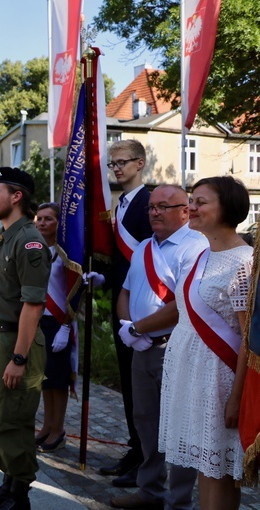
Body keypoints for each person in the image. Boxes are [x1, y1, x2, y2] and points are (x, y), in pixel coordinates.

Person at [110, 185, 207, 509]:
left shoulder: (195, 247)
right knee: (146, 421)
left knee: (178, 428)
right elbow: (125, 292)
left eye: (163, 206)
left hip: (175, 348)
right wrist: (128, 328)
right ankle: (149, 490)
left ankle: (179, 502)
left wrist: (137, 328)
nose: (154, 212)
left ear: (185, 210)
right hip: (141, 347)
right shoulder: (144, 248)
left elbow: (182, 304)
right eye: (152, 207)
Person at [159, 176, 252, 510]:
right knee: (206, 466)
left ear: (227, 207)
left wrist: (237, 398)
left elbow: (249, 339)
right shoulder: (201, 256)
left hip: (221, 381)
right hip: (192, 377)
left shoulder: (245, 263)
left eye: (200, 202)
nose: (191, 207)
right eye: (191, 200)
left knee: (221, 471)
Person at [0, 167, 50, 510]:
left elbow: (33, 305)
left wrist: (19, 359)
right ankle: (8, 484)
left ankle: (19, 497)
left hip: (15, 342)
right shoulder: (1, 237)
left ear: (16, 196)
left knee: (12, 422)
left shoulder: (29, 240)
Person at [102, 139, 153, 487]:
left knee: (146, 393)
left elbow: (151, 260)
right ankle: (136, 451)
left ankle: (147, 459)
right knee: (129, 386)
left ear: (140, 163)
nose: (117, 169)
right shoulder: (119, 204)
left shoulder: (151, 203)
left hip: (145, 307)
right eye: (113, 164)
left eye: (123, 162)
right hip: (120, 301)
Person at [33, 203, 76, 455]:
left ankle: (58, 429)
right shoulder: (36, 250)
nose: (42, 223)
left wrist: (66, 325)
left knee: (58, 380)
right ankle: (47, 425)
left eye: (48, 219)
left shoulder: (66, 253)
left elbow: (74, 289)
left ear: (59, 224)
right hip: (39, 319)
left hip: (59, 321)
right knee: (44, 378)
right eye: (39, 219)